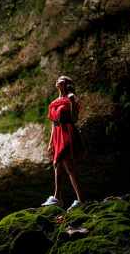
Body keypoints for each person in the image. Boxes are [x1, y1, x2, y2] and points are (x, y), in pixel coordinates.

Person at [41, 75, 84, 211]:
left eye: (61, 79)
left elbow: (75, 118)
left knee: (68, 166)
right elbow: (54, 124)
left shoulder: (70, 99)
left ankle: (80, 199)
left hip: (68, 132)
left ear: (65, 83)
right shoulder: (53, 102)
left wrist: (71, 103)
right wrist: (50, 142)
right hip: (57, 135)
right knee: (57, 165)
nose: (58, 80)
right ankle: (57, 197)